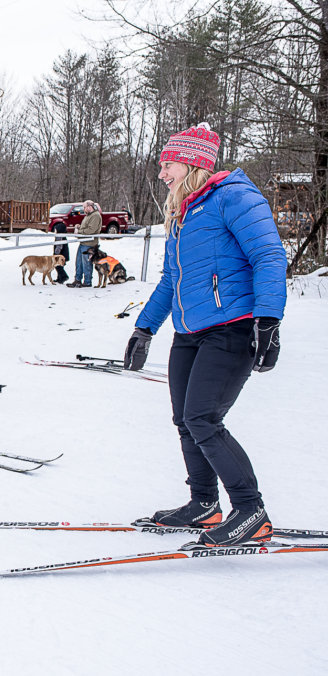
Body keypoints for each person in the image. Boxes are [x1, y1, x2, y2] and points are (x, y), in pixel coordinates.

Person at [124, 122, 286, 547]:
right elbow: (170, 279)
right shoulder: (182, 213)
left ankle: (251, 511)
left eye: (168, 165)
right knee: (185, 420)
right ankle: (203, 504)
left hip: (232, 327)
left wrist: (269, 321)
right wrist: (144, 327)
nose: (162, 174)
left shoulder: (234, 197)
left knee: (203, 419)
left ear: (192, 163)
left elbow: (269, 256)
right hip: (189, 331)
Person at [67, 200, 101, 288]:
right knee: (79, 263)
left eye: (84, 207)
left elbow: (91, 230)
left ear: (89, 207)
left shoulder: (95, 216)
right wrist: (79, 227)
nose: (83, 209)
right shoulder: (88, 216)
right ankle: (77, 280)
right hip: (83, 242)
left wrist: (79, 232)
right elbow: (86, 227)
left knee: (86, 264)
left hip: (89, 244)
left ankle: (87, 281)